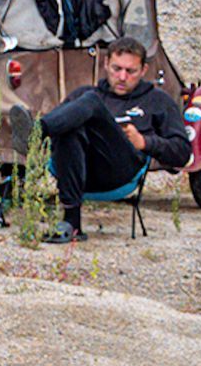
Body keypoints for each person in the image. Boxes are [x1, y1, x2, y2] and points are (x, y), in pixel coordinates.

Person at [40, 35, 191, 244]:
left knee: (90, 103)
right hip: (78, 169)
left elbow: (183, 153)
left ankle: (36, 131)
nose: (122, 77)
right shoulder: (84, 94)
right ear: (105, 64)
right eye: (116, 69)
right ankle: (72, 224)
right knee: (73, 122)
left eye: (130, 71)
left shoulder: (157, 101)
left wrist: (145, 142)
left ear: (144, 71)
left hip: (120, 169)